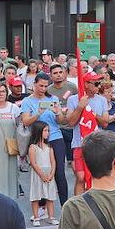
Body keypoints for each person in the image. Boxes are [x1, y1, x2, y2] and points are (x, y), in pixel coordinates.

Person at [19, 74, 68, 204]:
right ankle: (41, 207)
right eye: (40, 85)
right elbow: (25, 121)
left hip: (56, 136)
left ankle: (65, 205)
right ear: (34, 84)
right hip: (38, 140)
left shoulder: (53, 98)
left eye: (46, 86)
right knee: (40, 171)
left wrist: (58, 112)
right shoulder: (27, 101)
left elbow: (61, 121)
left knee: (59, 173)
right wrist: (38, 113)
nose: (43, 88)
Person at [27, 121, 59, 225]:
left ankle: (51, 216)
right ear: (38, 131)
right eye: (45, 130)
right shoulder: (33, 147)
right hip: (38, 174)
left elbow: (53, 161)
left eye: (48, 130)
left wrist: (51, 173)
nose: (47, 133)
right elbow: (33, 163)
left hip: (48, 173)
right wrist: (42, 175)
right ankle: (36, 217)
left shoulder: (49, 147)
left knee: (50, 196)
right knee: (36, 194)